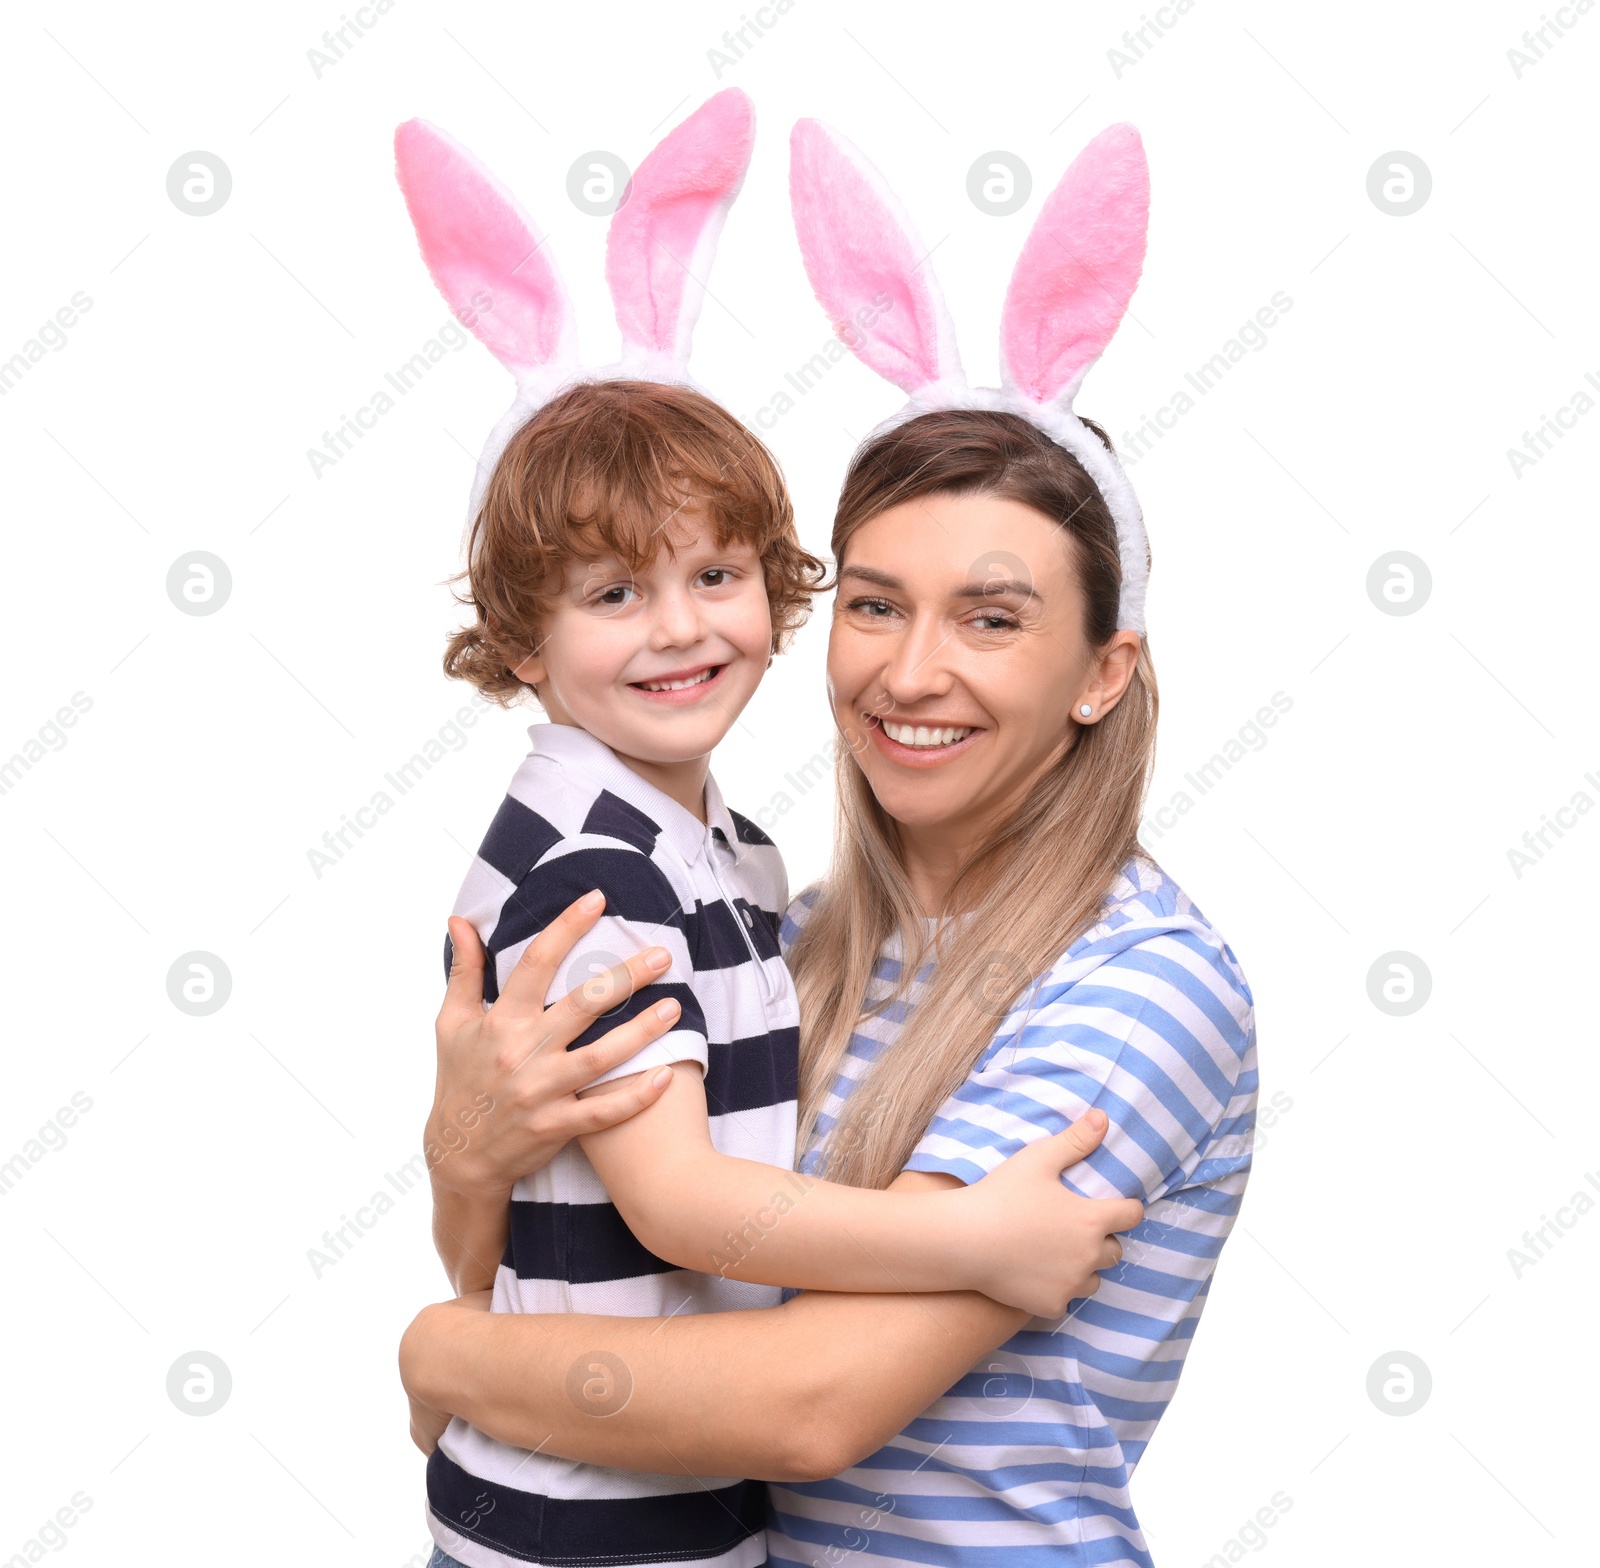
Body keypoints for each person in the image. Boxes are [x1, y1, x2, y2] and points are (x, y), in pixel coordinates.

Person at [402, 407, 1257, 1567]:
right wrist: (466, 1144)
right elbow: (585, 1247)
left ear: (1102, 671)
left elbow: (803, 1405)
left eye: (991, 617)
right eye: (876, 604)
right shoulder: (796, 936)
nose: (911, 671)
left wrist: (446, 1356)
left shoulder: (1135, 983)